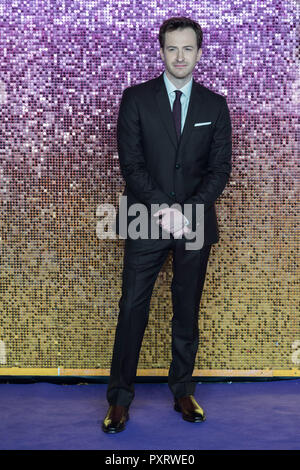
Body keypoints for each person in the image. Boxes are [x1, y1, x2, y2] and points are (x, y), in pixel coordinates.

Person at [102, 16, 232, 433]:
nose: (180, 56)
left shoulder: (215, 105)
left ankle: (183, 391)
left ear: (199, 52)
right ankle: (119, 400)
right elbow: (132, 165)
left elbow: (220, 170)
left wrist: (188, 211)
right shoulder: (136, 99)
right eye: (172, 48)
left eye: (187, 48)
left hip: (195, 222)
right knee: (131, 309)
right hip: (146, 220)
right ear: (161, 51)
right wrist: (166, 209)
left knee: (186, 310)